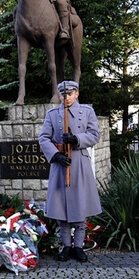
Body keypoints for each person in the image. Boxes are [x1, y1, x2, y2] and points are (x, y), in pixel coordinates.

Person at [38, 81, 102, 262]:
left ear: (76, 94)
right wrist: (55, 155)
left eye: (69, 94)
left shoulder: (87, 112)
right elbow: (43, 138)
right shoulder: (52, 114)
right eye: (62, 94)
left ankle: (79, 246)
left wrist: (76, 139)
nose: (66, 97)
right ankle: (66, 246)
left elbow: (95, 135)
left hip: (79, 162)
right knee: (61, 207)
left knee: (80, 206)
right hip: (60, 163)